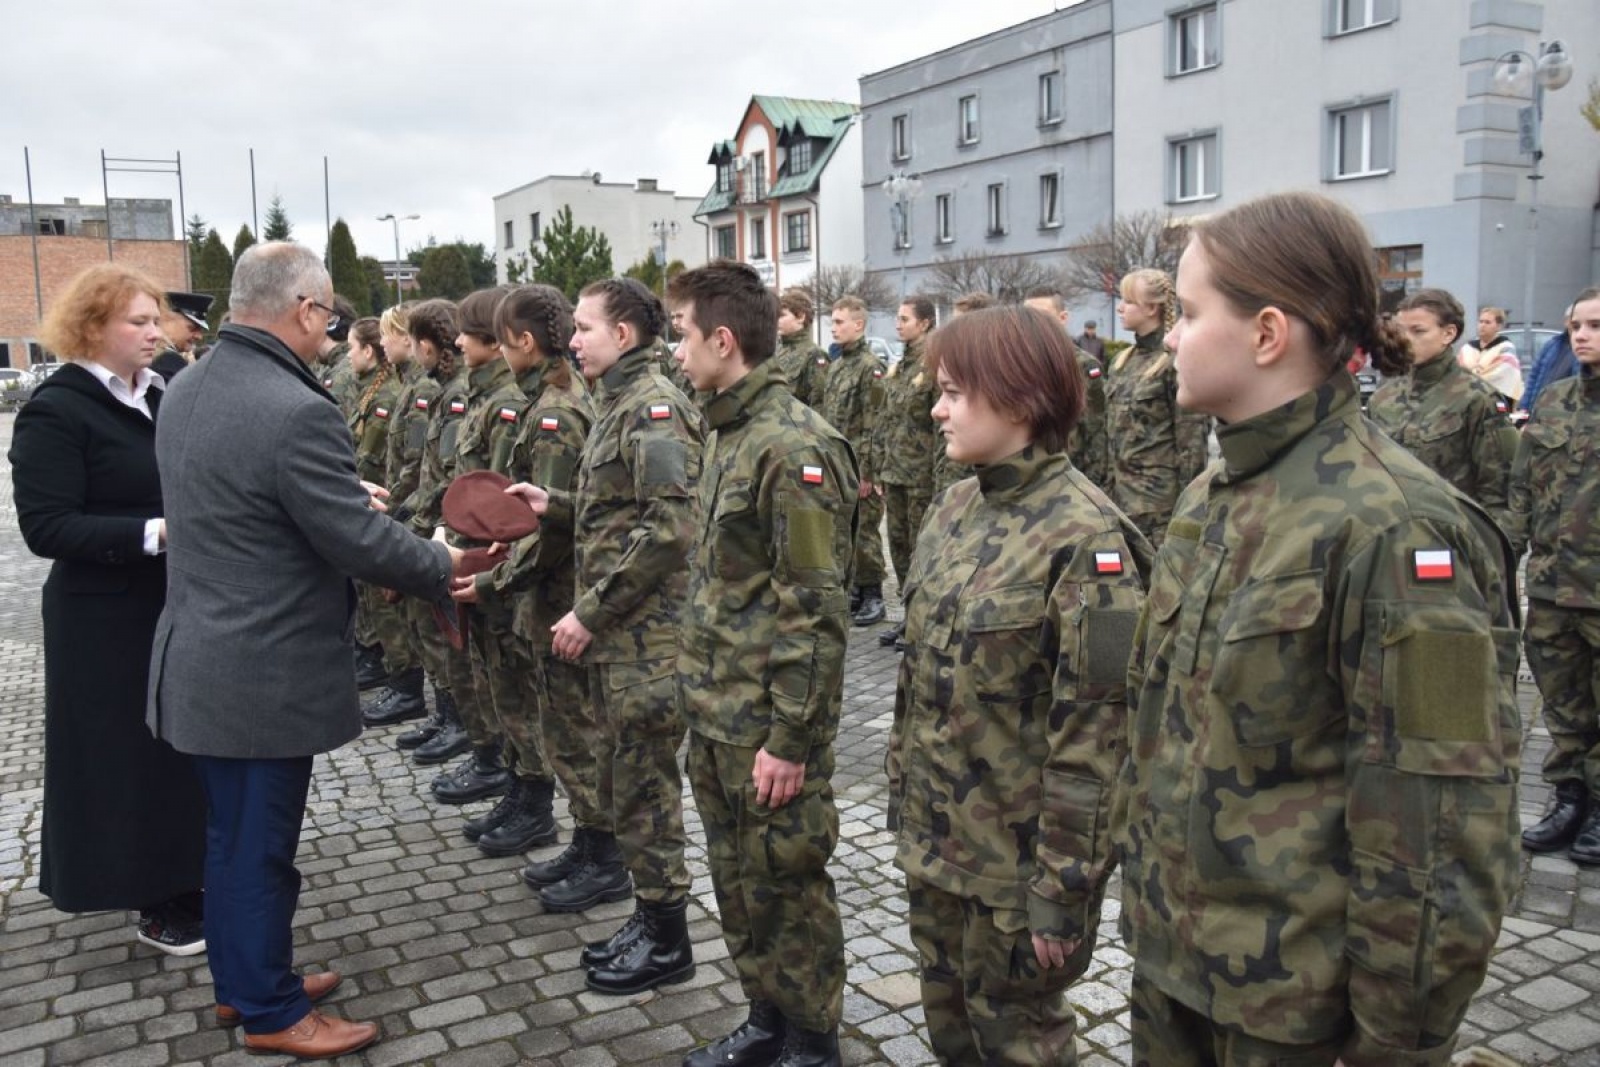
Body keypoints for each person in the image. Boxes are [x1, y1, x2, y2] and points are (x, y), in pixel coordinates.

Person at [1116, 192, 1521, 1067]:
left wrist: (1394, 1042)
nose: (1171, 339)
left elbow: (1440, 826)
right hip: (1175, 970)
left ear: (1267, 334)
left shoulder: (1398, 526)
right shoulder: (1208, 499)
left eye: (1187, 314)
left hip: (1295, 1013)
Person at [147, 242, 467, 1059]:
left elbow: (236, 502)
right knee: (257, 851)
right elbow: (356, 538)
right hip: (258, 673)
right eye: (325, 311)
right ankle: (269, 1010)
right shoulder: (295, 408)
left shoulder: (188, 386)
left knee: (229, 841)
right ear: (305, 310)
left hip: (201, 659)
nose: (329, 327)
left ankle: (243, 979)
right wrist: (443, 565)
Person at [887, 305, 1149, 1065]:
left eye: (954, 392)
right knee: (952, 1031)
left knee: (1018, 1042)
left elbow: (1097, 738)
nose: (936, 408)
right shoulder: (956, 504)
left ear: (1021, 396)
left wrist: (1063, 887)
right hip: (938, 842)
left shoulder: (1088, 541)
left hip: (1015, 865)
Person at [666, 261, 857, 1067]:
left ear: (721, 338)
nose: (676, 354)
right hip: (714, 710)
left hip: (764, 724)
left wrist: (790, 735)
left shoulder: (794, 445)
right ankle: (766, 1015)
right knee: (738, 880)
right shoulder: (725, 430)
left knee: (787, 881)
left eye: (680, 336)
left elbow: (814, 610)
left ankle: (813, 1037)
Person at [507, 277, 703, 995]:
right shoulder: (616, 399)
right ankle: (650, 915)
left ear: (624, 333)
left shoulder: (654, 409)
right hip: (625, 636)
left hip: (647, 640)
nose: (573, 339)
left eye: (584, 327)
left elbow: (670, 528)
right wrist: (553, 503)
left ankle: (667, 935)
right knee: (627, 776)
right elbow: (616, 510)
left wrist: (590, 610)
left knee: (648, 785)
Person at [9, 264, 207, 956]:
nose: (157, 332)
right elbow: (48, 527)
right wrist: (156, 531)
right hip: (102, 619)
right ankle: (152, 896)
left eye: (157, 319)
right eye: (139, 322)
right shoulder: (56, 409)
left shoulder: (167, 392)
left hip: (173, 604)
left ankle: (187, 874)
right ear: (92, 327)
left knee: (178, 751)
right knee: (123, 758)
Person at [472, 286, 622, 909]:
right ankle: (590, 840)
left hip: (559, 595)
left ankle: (605, 854)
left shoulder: (556, 412)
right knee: (562, 727)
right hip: (546, 594)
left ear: (524, 343)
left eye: (502, 341)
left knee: (573, 731)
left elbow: (554, 531)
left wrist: (494, 580)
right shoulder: (547, 401)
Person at [1509, 287, 1600, 864]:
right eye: (1575, 327)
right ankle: (1569, 799)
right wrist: (1507, 552)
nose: (1582, 335)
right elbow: (1523, 484)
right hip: (1551, 584)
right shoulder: (1556, 398)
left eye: (1594, 325)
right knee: (1563, 705)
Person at [1367, 288, 1520, 538]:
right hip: (1390, 538)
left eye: (1418, 331)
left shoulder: (1477, 398)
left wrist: (1494, 559)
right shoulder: (1383, 398)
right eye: (1401, 331)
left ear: (1448, 333)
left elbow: (1499, 492)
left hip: (1452, 539)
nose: (1405, 339)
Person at [1104, 267, 1210, 549]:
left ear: (1151, 308)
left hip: (1158, 509)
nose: (1120, 308)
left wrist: (1191, 511)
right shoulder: (1123, 362)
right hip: (1119, 503)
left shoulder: (1174, 363)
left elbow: (1191, 444)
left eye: (1127, 301)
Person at [871, 296, 939, 649]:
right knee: (897, 547)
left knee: (920, 548)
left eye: (904, 319)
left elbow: (940, 427)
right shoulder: (900, 366)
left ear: (925, 323)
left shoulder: (934, 365)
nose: (898, 324)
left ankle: (923, 620)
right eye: (897, 318)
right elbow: (886, 420)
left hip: (921, 476)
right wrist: (881, 466)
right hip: (896, 473)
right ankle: (907, 615)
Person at [820, 295, 887, 626]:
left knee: (866, 532)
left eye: (839, 322)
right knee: (844, 531)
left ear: (858, 325)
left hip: (859, 465)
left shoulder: (869, 367)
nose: (833, 328)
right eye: (832, 322)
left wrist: (868, 472)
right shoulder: (838, 365)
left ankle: (874, 594)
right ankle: (856, 592)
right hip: (836, 463)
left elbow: (875, 423)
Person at [1025, 287, 1110, 490]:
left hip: (1070, 475)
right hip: (1029, 474)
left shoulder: (1083, 366)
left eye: (1042, 316)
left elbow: (1096, 428)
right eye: (1028, 317)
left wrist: (1093, 484)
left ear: (1062, 318)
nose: (1033, 324)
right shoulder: (1022, 364)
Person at [774, 287, 831, 409]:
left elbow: (819, 405)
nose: (776, 320)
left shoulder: (814, 355)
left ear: (800, 317)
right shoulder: (778, 351)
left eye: (782, 316)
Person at [1518, 307, 1578, 419]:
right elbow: (1534, 377)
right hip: (1540, 409)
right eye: (1572, 320)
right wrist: (1525, 406)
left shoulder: (1583, 350)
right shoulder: (1552, 345)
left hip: (1565, 415)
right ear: (1566, 321)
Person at [1459, 305, 1523, 404]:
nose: (1482, 325)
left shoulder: (1506, 349)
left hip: (1496, 401)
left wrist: (1472, 373)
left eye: (1487, 322)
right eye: (1481, 321)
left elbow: (1499, 375)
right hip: (1466, 401)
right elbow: (1458, 372)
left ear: (1498, 326)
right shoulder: (1467, 348)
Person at [150, 290, 213, 382]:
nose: (199, 336)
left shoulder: (152, 356)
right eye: (192, 328)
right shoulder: (169, 361)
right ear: (167, 320)